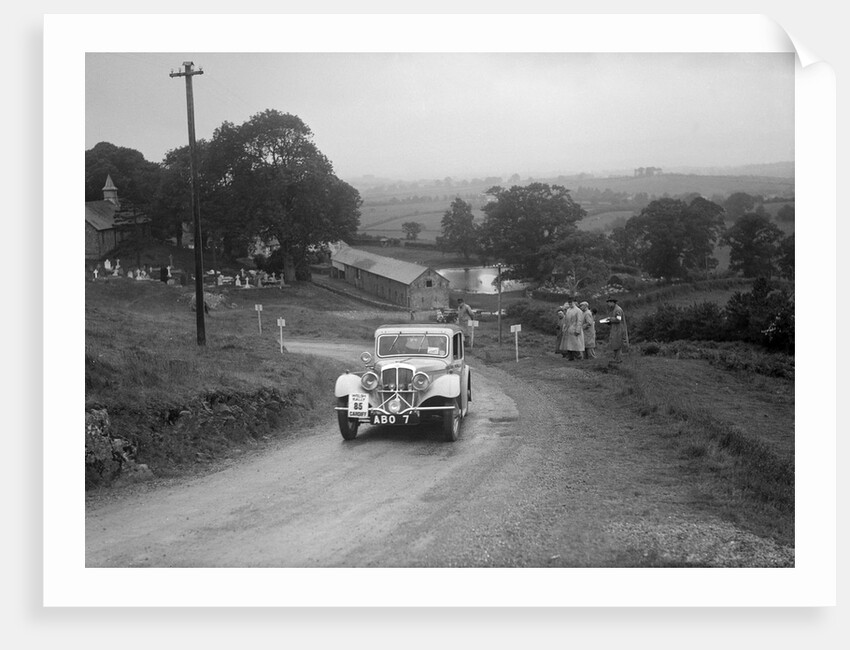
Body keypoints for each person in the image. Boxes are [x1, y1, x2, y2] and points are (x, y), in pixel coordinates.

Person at [604, 297, 629, 362]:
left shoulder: (618, 310)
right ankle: (616, 359)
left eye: (609, 303)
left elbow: (618, 319)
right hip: (615, 329)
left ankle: (618, 359)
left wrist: (610, 319)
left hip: (619, 329)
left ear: (612, 302)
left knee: (618, 344)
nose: (608, 305)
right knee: (614, 344)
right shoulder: (614, 309)